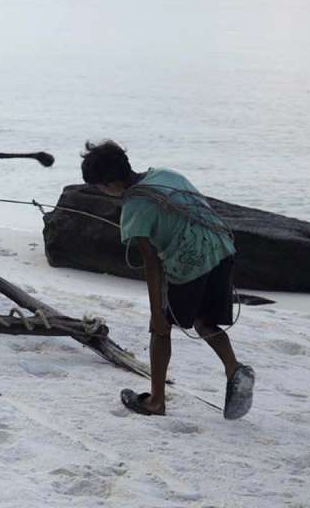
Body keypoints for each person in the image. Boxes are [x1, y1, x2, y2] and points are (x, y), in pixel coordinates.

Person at [80, 140, 253, 419]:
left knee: (160, 328)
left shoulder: (135, 207)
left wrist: (155, 312)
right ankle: (234, 369)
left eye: (100, 187)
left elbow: (151, 264)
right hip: (221, 249)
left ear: (111, 183)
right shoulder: (166, 174)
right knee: (203, 321)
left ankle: (156, 401)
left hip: (191, 263)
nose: (101, 192)